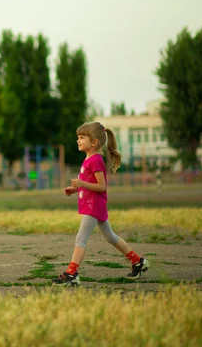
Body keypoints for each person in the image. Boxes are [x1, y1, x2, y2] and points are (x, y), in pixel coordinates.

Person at [52, 122, 151, 286]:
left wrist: (82, 184)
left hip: (94, 206)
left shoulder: (96, 160)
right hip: (94, 205)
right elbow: (90, 183)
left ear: (94, 142)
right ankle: (138, 262)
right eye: (78, 137)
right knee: (110, 237)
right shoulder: (89, 159)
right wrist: (75, 189)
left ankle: (71, 273)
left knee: (81, 238)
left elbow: (101, 186)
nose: (78, 140)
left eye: (82, 138)